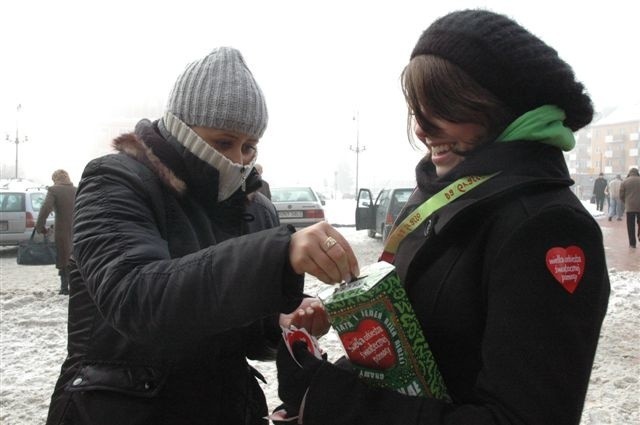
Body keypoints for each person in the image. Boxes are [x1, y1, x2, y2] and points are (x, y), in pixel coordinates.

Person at [276, 9, 610, 425]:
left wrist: (333, 403)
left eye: (441, 107)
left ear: (501, 108)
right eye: (417, 110)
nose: (421, 129)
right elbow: (424, 361)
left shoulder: (546, 227)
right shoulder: (441, 196)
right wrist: (332, 368)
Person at [44, 47, 359, 425]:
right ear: (180, 130)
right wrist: (275, 257)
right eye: (224, 142)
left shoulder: (255, 207)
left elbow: (242, 334)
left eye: (249, 146)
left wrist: (284, 319)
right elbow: (135, 298)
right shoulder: (115, 181)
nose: (239, 159)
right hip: (117, 411)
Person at [35, 169, 76, 295]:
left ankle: (64, 288)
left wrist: (40, 227)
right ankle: (75, 286)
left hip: (62, 230)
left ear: (55, 179)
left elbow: (45, 208)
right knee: (75, 258)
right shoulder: (77, 189)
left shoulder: (54, 190)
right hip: (77, 229)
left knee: (63, 258)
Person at [620, 167, 640, 248]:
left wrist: (626, 202)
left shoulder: (625, 181)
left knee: (630, 225)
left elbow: (621, 195)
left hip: (630, 206)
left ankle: (632, 243)